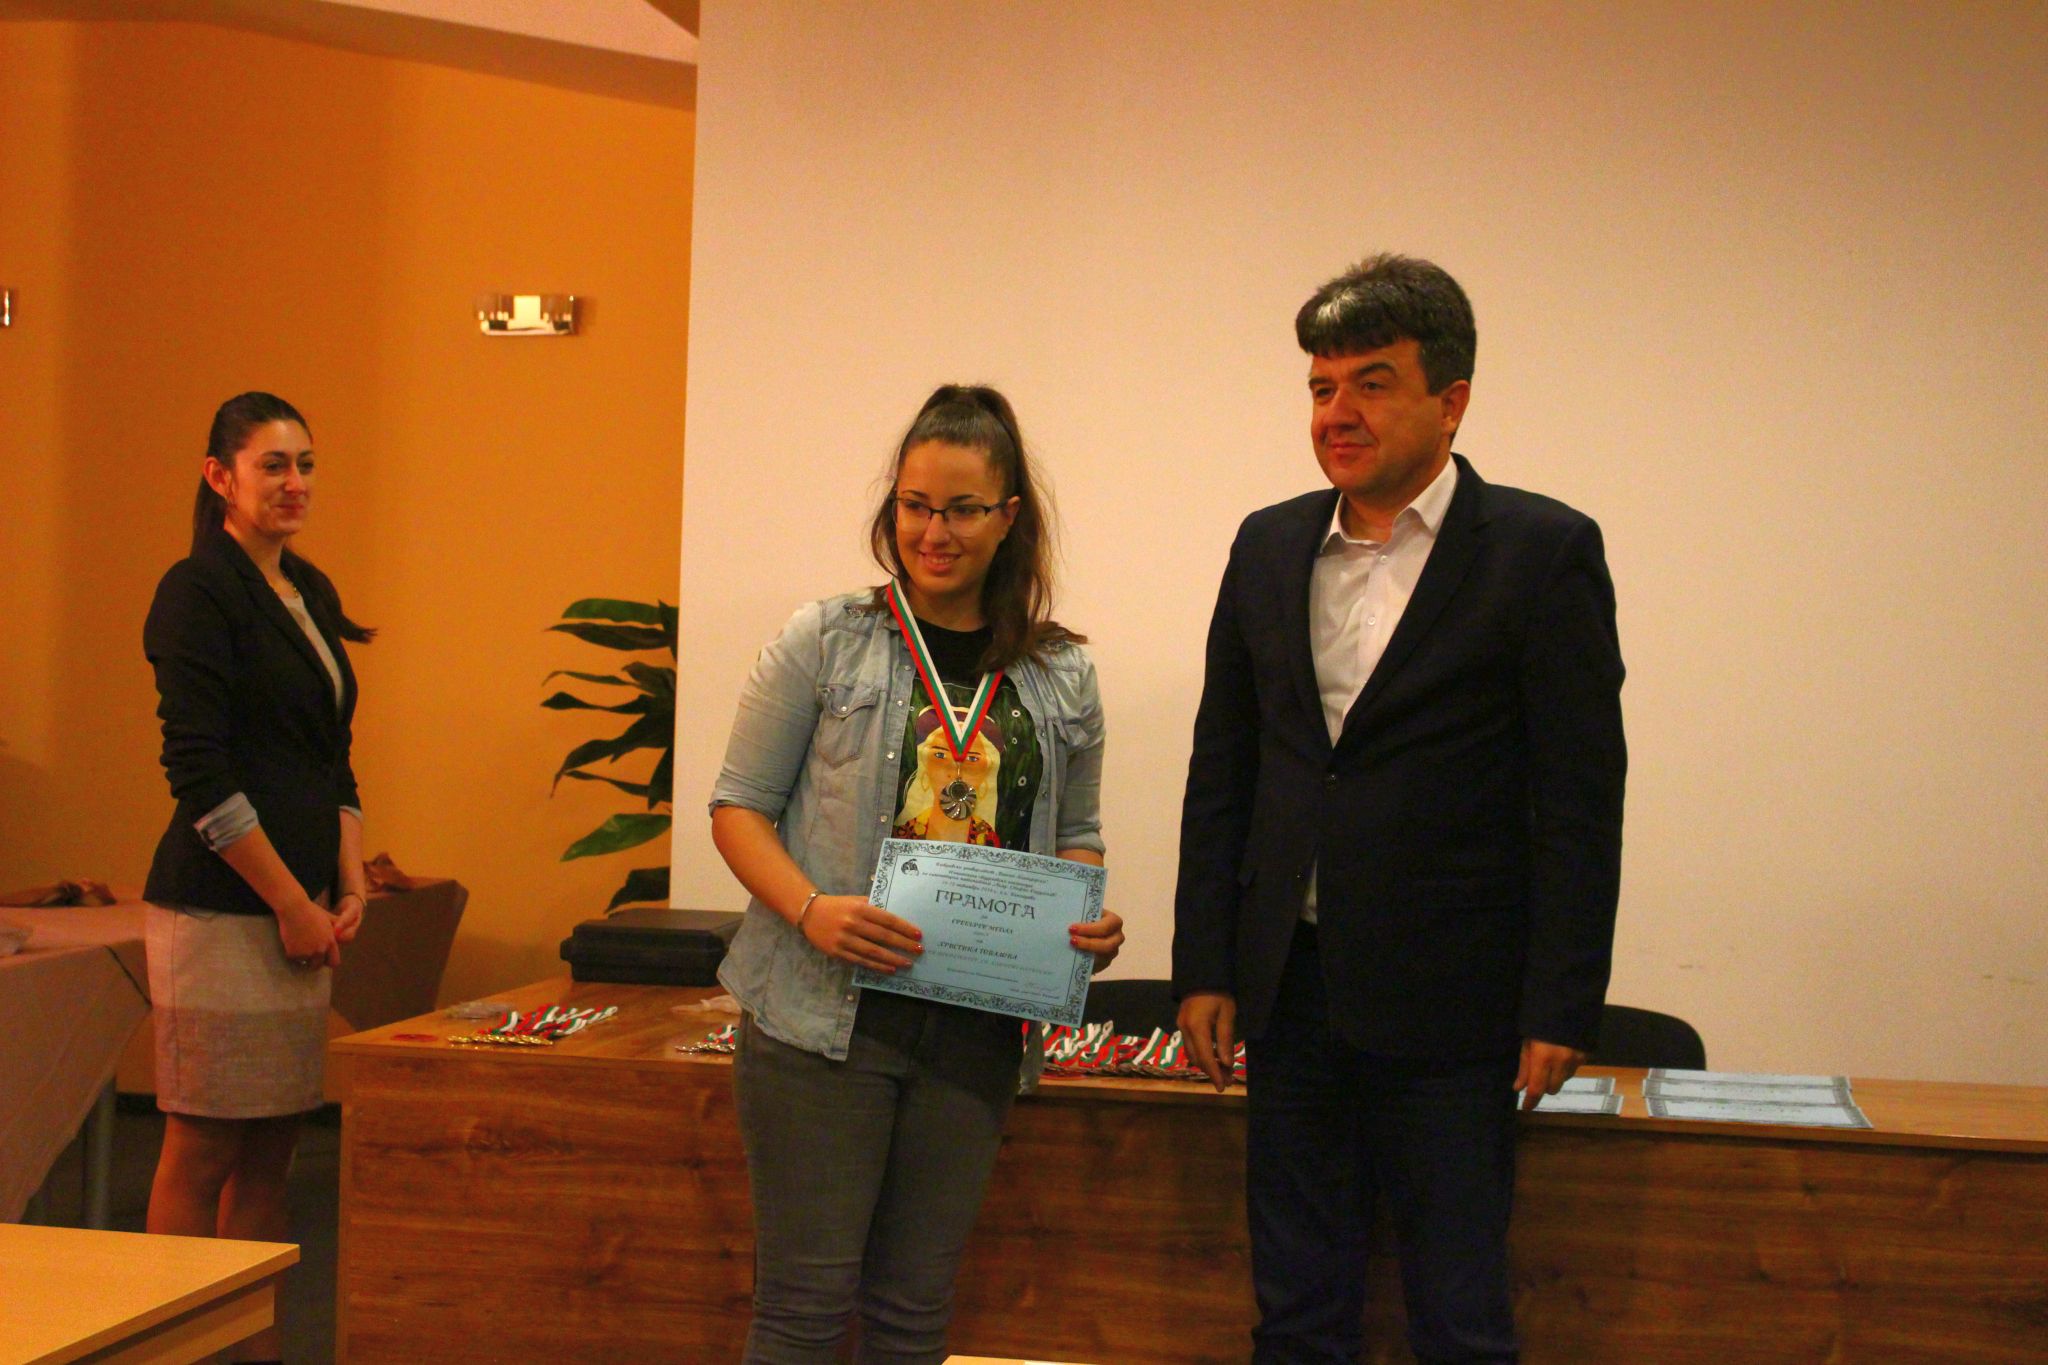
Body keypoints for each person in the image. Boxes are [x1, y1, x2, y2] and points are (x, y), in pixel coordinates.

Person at [1173, 255, 1626, 1364]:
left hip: (1457, 1009)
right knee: (1295, 1314)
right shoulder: (1266, 544)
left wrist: (1561, 999)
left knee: (1458, 1319)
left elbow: (1579, 797)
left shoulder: (1541, 552)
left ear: (1450, 401)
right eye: (1321, 387)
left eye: (1371, 384)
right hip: (1289, 992)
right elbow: (1223, 769)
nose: (1337, 413)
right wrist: (1204, 965)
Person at [709, 384, 1124, 1364]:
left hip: (974, 1032)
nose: (933, 533)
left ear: (1008, 516)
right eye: (914, 505)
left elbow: (1079, 831)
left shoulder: (1061, 672)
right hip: (824, 1024)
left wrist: (1083, 920)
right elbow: (737, 809)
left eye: (962, 509)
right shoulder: (825, 638)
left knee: (912, 1314)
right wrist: (810, 909)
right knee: (804, 1311)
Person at [142, 391, 372, 1365]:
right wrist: (288, 900)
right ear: (219, 477)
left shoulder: (306, 589)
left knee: (274, 1148)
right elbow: (198, 772)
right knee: (203, 1148)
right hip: (221, 912)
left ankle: (249, 1347)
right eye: (273, 464)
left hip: (303, 911)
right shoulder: (198, 590)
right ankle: (166, 1346)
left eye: (305, 464)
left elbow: (331, 757)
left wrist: (347, 879)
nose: (294, 483)